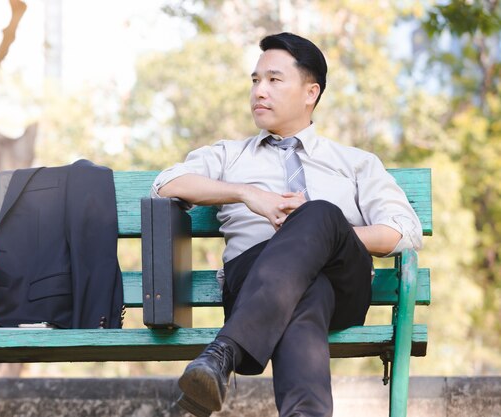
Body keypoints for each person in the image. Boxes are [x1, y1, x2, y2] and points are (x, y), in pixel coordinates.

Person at [151, 32, 422, 417]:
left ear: (310, 92)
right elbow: (165, 184)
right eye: (255, 80)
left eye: (274, 80)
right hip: (254, 282)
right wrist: (248, 195)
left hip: (345, 284)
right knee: (305, 290)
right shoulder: (229, 156)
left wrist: (325, 232)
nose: (260, 91)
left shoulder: (355, 162)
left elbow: (403, 229)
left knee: (322, 213)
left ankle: (223, 353)